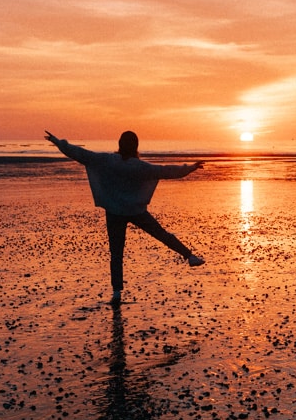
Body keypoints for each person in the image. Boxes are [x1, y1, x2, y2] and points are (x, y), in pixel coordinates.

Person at [45, 130, 205, 304]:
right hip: (135, 209)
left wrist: (57, 142)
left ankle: (116, 292)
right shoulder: (140, 166)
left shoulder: (107, 161)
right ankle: (189, 256)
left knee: (116, 253)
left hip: (114, 211)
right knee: (161, 234)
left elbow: (80, 154)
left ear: (120, 144)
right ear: (135, 146)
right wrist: (190, 168)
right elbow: (166, 171)